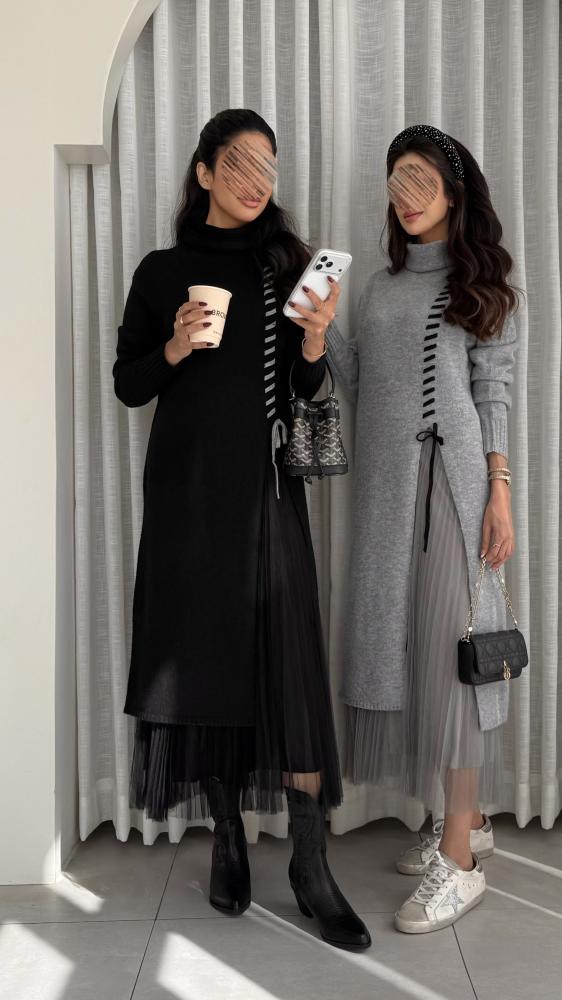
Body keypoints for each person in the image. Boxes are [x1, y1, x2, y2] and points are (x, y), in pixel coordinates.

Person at [113, 107, 370, 952]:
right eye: (240, 162)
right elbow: (128, 382)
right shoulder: (162, 272)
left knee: (290, 667)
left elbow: (304, 391)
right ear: (203, 173)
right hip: (187, 499)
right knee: (206, 663)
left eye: (268, 165)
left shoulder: (286, 264)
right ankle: (227, 837)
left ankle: (310, 863)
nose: (257, 179)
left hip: (268, 494)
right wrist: (175, 348)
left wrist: (316, 340)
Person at [304, 124, 520, 933]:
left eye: (421, 178)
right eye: (397, 179)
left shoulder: (481, 283)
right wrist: (324, 336)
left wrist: (499, 492)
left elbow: (493, 392)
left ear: (454, 194)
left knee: (457, 662)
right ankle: (466, 820)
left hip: (455, 491)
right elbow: (366, 387)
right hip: (390, 496)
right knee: (414, 657)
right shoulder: (381, 287)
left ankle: (461, 860)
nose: (406, 193)